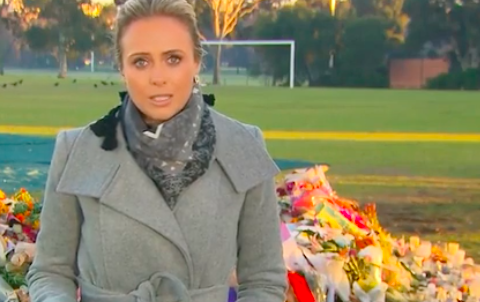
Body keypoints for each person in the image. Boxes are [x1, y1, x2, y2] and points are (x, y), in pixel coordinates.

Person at [26, 0, 287, 300]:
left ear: (196, 62)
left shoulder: (242, 146)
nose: (158, 77)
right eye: (141, 61)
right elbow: (50, 271)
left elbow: (264, 280)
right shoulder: (77, 150)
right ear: (122, 68)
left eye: (173, 59)